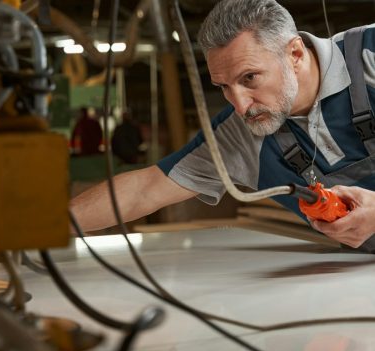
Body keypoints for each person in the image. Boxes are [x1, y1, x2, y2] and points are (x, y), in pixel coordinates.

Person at [70, 0, 375, 250]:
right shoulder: (239, 134)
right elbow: (144, 190)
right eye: (224, 87)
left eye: (250, 78)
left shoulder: (369, 55)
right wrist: (42, 226)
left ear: (294, 53)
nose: (240, 105)